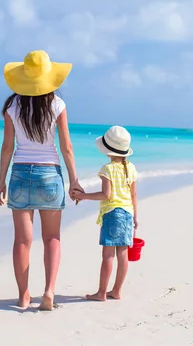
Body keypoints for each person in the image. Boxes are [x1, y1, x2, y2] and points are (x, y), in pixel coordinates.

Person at [0, 50, 83, 311]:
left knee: (22, 241)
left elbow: (7, 147)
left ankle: (23, 295)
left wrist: (1, 181)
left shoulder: (12, 106)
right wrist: (74, 180)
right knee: (52, 238)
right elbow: (66, 146)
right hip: (49, 174)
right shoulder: (57, 104)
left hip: (21, 173)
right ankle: (49, 291)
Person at [71, 126, 138, 301]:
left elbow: (106, 195)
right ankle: (116, 290)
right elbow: (133, 195)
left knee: (108, 255)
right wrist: (135, 217)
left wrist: (82, 196)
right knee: (123, 254)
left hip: (112, 213)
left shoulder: (107, 169)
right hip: (128, 213)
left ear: (108, 149)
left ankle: (101, 292)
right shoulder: (131, 168)